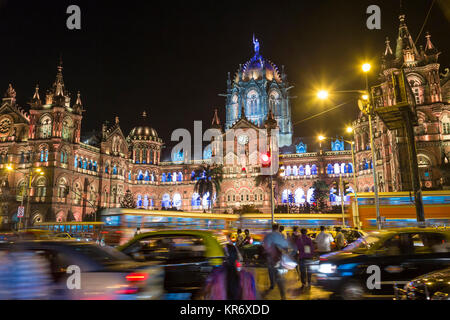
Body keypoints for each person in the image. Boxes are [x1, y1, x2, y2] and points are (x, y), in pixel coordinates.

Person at [263, 223, 292, 300]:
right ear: (278, 228)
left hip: (271, 257)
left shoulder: (269, 236)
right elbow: (286, 245)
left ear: (272, 228)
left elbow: (265, 246)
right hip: (280, 258)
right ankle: (282, 294)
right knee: (279, 274)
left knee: (271, 270)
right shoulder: (281, 235)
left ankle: (272, 284)